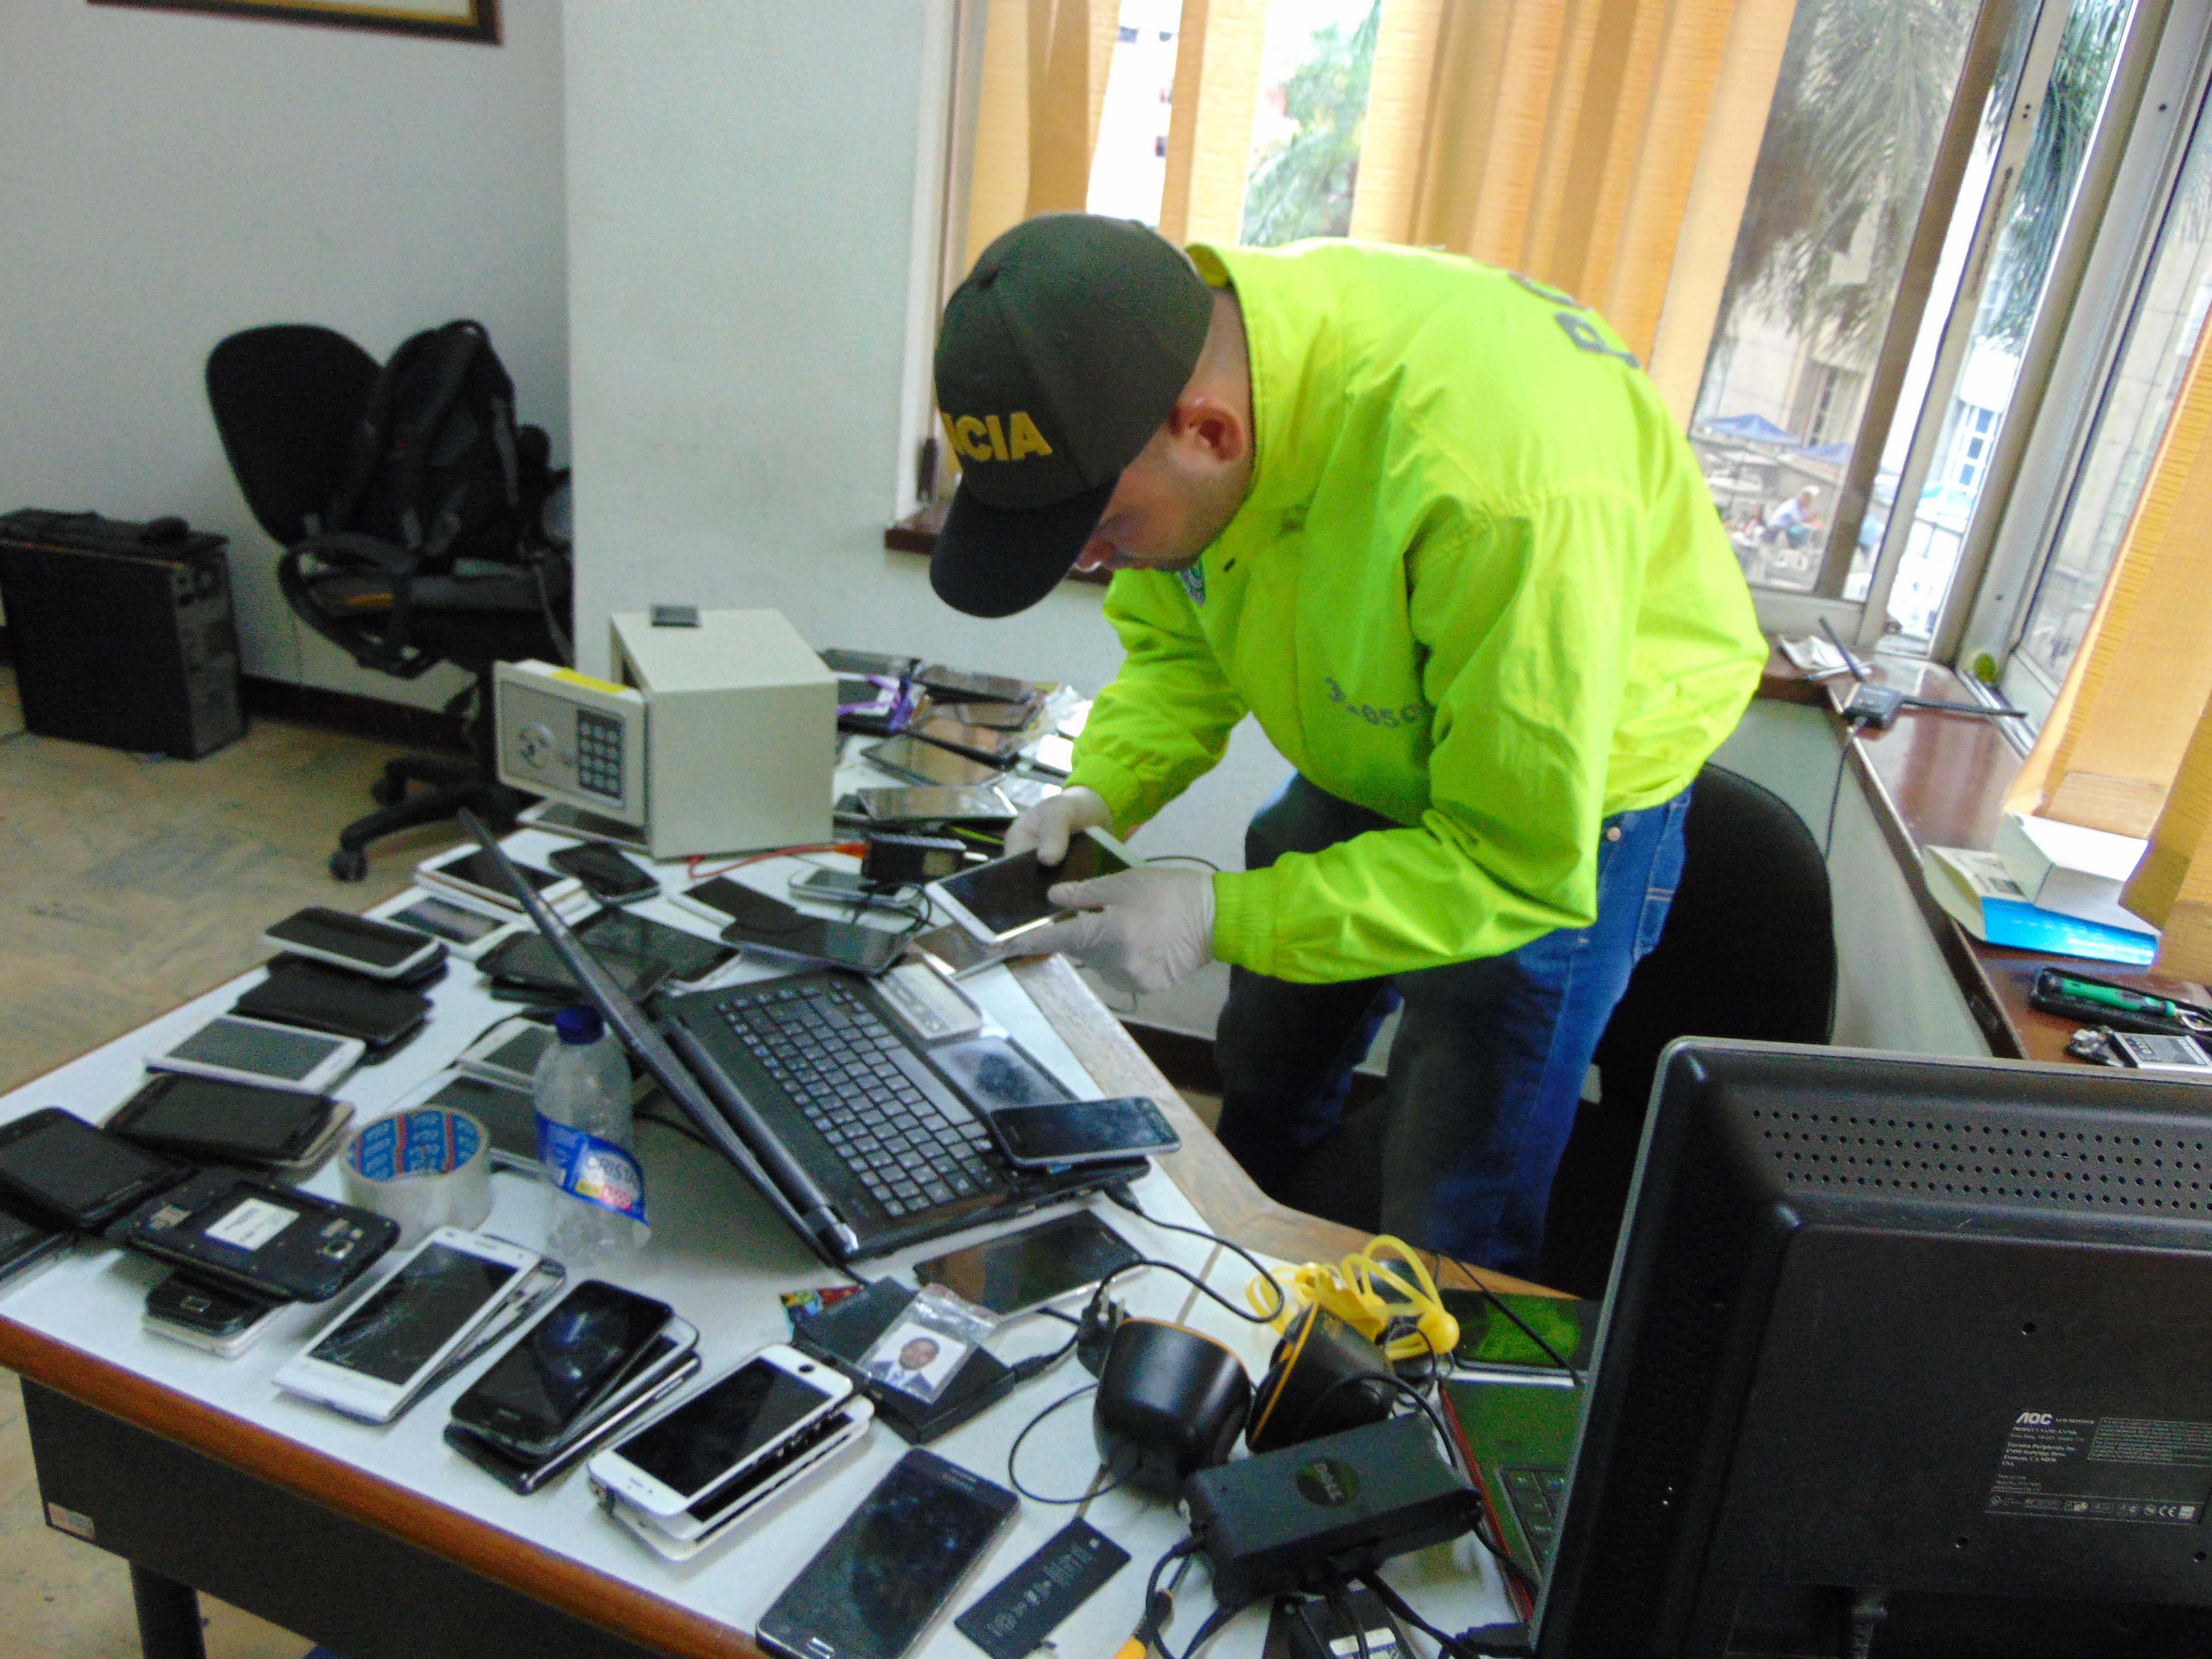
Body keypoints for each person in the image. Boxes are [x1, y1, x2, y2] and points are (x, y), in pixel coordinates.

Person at [926, 214, 1765, 1276]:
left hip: (1553, 809)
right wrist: (1099, 791)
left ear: (1208, 434)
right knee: (1268, 1063)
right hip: (1378, 740)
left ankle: (1415, 1394)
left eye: (1100, 529)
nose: (1091, 559)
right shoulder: (1187, 369)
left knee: (1454, 1181)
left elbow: (1503, 857)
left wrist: (1220, 914)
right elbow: (1183, 652)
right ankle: (1251, 1291)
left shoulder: (1493, 484)